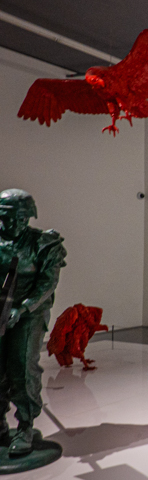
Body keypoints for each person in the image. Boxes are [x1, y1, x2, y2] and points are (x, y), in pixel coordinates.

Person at [0, 189, 66, 455]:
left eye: (22, 218)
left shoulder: (43, 243)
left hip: (29, 313)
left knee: (22, 367)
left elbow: (47, 283)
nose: (16, 224)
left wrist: (23, 308)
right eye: (9, 217)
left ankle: (25, 426)